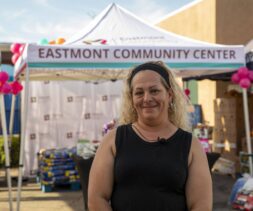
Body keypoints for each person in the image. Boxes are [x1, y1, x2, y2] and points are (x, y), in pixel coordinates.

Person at [88, 61, 212, 211]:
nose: (146, 98)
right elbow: (96, 198)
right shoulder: (113, 140)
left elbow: (201, 205)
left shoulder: (191, 145)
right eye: (139, 93)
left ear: (170, 95)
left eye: (154, 91)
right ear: (132, 99)